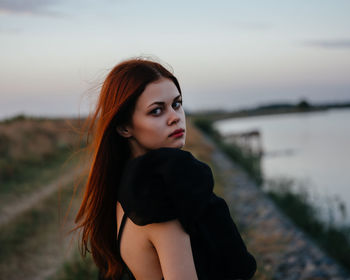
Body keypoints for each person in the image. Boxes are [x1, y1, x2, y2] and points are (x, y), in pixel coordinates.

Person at [74, 56, 257, 280]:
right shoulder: (156, 199)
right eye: (156, 111)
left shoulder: (128, 185)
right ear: (124, 128)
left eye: (176, 104)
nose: (175, 118)